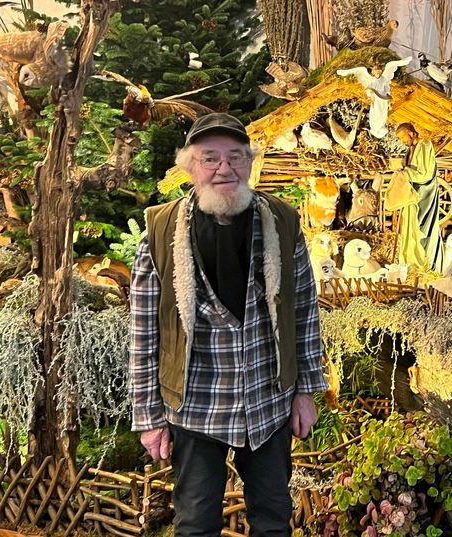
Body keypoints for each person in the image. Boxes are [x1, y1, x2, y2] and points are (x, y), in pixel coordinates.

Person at [128, 113, 327, 537]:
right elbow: (145, 327)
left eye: (236, 157)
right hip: (195, 406)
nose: (224, 168)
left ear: (250, 163)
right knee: (196, 524)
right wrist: (149, 416)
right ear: (189, 167)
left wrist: (306, 390)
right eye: (210, 158)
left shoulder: (283, 222)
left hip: (268, 401)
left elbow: (305, 311)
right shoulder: (161, 231)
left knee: (273, 519)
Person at [391, 123, 444, 271]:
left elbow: (425, 173)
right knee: (410, 228)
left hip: (423, 195)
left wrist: (405, 172)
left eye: (403, 138)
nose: (403, 142)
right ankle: (411, 263)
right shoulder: (410, 150)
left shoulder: (425, 145)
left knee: (422, 227)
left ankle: (425, 264)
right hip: (411, 196)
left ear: (412, 133)